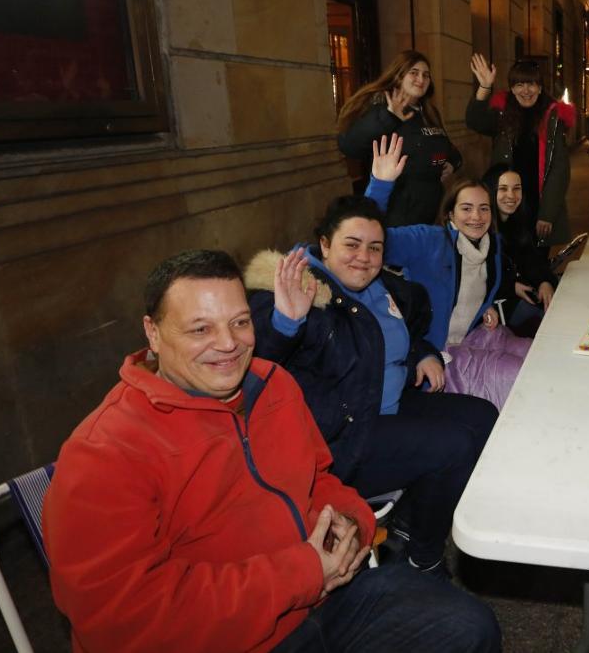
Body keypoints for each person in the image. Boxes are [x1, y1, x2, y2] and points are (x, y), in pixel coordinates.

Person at [45, 249, 500, 653]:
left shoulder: (270, 384)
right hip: (235, 635)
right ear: (154, 332)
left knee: (469, 626)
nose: (228, 344)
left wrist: (350, 524)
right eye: (200, 328)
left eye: (240, 322)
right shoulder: (105, 452)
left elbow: (320, 478)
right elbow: (123, 623)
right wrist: (302, 572)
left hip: (319, 602)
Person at [245, 197, 498, 576]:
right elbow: (255, 360)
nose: (363, 256)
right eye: (351, 244)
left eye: (374, 248)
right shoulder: (296, 291)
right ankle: (425, 557)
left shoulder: (381, 288)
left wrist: (421, 352)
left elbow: (401, 330)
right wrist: (285, 324)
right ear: (325, 246)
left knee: (482, 415)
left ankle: (412, 518)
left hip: (388, 404)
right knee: (454, 446)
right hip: (344, 434)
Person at [368, 136, 529, 409]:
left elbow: (478, 286)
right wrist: (380, 185)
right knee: (517, 374)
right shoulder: (429, 240)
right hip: (439, 351)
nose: (476, 217)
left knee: (535, 353)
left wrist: (485, 306)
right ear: (450, 215)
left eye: (483, 208)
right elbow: (371, 235)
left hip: (473, 335)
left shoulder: (492, 246)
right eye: (466, 209)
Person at [336, 50, 462, 222]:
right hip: (394, 211)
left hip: (429, 209)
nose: (421, 79)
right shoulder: (379, 105)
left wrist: (452, 163)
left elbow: (447, 148)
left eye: (426, 75)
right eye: (414, 73)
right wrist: (389, 116)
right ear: (399, 75)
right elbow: (350, 146)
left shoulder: (430, 112)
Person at [468, 54, 574, 246]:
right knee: (505, 255)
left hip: (537, 202)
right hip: (506, 202)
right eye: (519, 85)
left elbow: (560, 168)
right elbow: (475, 121)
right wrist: (484, 87)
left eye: (531, 84)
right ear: (511, 89)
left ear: (540, 88)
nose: (526, 90)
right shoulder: (502, 113)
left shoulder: (553, 117)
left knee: (536, 260)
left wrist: (547, 213)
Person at [482, 163, 557, 334]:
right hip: (498, 309)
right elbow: (478, 276)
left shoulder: (517, 222)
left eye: (517, 189)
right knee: (548, 326)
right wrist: (511, 286)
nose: (511, 195)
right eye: (503, 189)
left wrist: (544, 281)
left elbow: (531, 257)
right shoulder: (482, 229)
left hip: (519, 295)